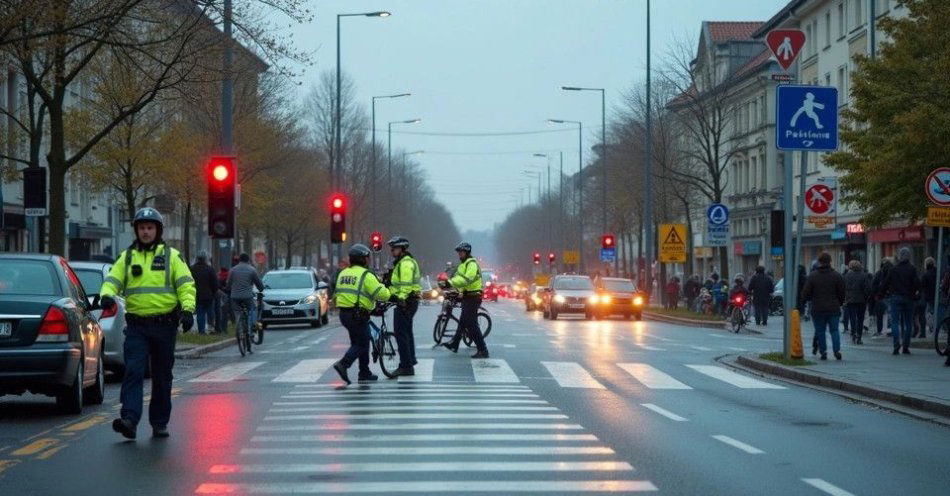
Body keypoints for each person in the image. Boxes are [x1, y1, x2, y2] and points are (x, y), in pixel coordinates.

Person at [99, 207, 196, 439]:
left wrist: (188, 309)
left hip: (165, 325)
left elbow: (185, 284)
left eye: (150, 228)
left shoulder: (172, 256)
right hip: (137, 327)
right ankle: (129, 420)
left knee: (162, 376)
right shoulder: (127, 256)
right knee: (133, 371)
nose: (145, 232)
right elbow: (113, 279)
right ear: (136, 230)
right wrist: (106, 294)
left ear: (158, 230)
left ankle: (159, 422)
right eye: (142, 228)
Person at [332, 244, 394, 384]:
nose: (369, 260)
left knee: (360, 342)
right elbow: (381, 293)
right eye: (367, 257)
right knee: (362, 343)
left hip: (344, 314)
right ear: (364, 259)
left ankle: (364, 372)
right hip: (357, 315)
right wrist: (391, 295)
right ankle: (343, 364)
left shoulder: (343, 273)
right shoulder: (366, 275)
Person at [440, 242, 489, 358]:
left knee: (471, 324)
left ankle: (483, 349)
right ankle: (454, 344)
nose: (459, 255)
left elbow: (467, 279)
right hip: (467, 296)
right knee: (462, 322)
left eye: (461, 252)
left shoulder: (471, 264)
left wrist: (450, 283)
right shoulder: (463, 265)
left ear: (467, 252)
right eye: (458, 252)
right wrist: (453, 289)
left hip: (473, 296)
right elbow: (458, 279)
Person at [387, 236, 422, 377]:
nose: (391, 251)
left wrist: (400, 299)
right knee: (406, 333)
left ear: (401, 249)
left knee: (400, 334)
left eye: (394, 248)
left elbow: (406, 285)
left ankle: (406, 366)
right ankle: (410, 360)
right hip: (409, 301)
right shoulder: (403, 262)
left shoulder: (406, 263)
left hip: (406, 302)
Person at [801, 252, 845, 361]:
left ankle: (823, 351)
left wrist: (808, 300)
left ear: (819, 262)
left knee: (820, 331)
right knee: (834, 330)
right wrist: (839, 303)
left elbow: (805, 293)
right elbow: (842, 292)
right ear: (830, 261)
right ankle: (837, 350)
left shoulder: (813, 276)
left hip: (818, 308)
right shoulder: (837, 275)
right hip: (833, 308)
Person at [882, 247, 920, 355]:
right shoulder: (912, 269)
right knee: (908, 323)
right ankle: (906, 346)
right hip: (909, 298)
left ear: (899, 257)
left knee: (895, 322)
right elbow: (917, 283)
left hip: (895, 297)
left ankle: (896, 344)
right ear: (909, 257)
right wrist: (918, 293)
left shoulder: (893, 269)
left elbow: (885, 283)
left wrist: (880, 294)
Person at [226, 253, 264, 334]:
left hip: (235, 296)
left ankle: (239, 328)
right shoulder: (252, 270)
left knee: (237, 312)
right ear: (248, 260)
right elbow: (259, 284)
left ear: (239, 260)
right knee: (253, 309)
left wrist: (229, 289)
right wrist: (261, 289)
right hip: (247, 296)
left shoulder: (233, 270)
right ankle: (253, 325)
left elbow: (228, 284)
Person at [189, 251, 218, 335]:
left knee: (200, 313)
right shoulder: (210, 269)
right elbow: (215, 283)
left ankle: (201, 331)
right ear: (206, 259)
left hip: (197, 295)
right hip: (209, 295)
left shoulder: (192, 269)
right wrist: (214, 292)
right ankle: (211, 328)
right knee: (210, 312)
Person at [843, 260, 871, 344]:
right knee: (860, 319)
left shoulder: (847, 276)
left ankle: (853, 334)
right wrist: (866, 298)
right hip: (861, 300)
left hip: (850, 300)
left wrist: (846, 298)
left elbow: (844, 288)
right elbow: (867, 288)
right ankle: (859, 336)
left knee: (852, 318)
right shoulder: (864, 275)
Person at [919, 257, 937, 339]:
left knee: (929, 314)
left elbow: (921, 286)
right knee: (935, 312)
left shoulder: (925, 275)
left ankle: (932, 327)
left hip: (928, 297)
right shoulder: (938, 272)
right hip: (936, 296)